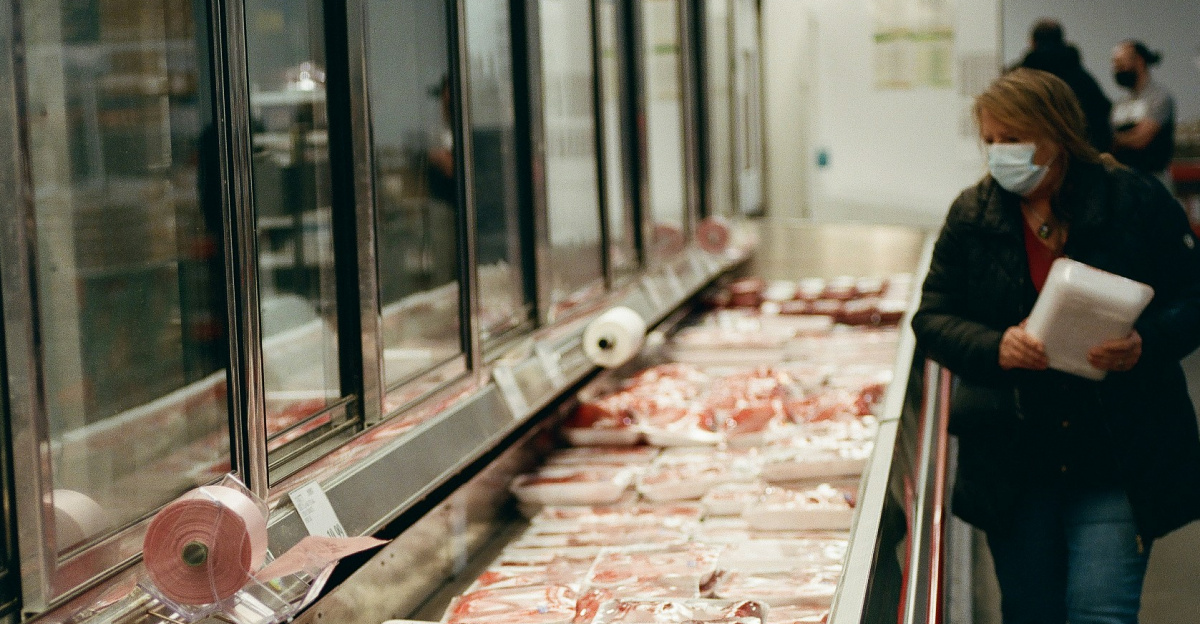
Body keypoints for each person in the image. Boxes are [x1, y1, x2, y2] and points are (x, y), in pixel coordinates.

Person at [912, 68, 1200, 624]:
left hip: (1115, 449)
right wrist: (995, 345)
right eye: (991, 140)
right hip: (1014, 461)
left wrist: (1146, 342)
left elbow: (1193, 295)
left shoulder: (1134, 200)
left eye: (1014, 138)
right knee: (1030, 611)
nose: (1000, 153)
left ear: (1057, 135)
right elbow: (933, 317)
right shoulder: (973, 215)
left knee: (1101, 611)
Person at [1014, 19, 1112, 152]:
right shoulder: (1083, 78)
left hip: (1034, 151)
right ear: (1062, 40)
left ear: (1032, 42)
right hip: (1082, 152)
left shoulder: (1020, 79)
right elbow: (1101, 116)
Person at [1111, 40, 1176, 189]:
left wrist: (1116, 141)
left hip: (1153, 181)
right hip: (1125, 181)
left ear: (1139, 61)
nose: (1116, 69)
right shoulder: (1120, 104)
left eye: (1120, 63)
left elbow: (1141, 139)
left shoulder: (1159, 97)